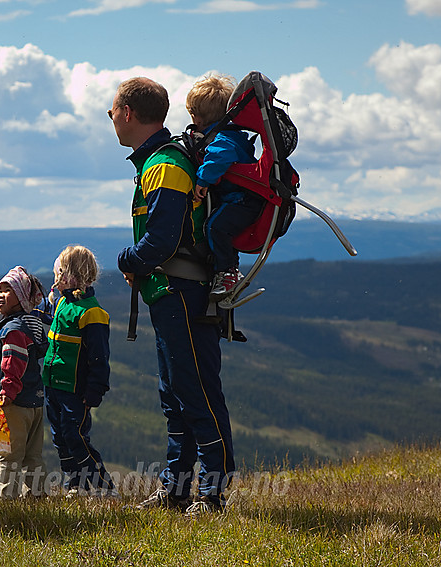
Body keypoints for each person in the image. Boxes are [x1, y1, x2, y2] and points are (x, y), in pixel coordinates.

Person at [112, 77, 235, 516]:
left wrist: (128, 260)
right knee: (176, 394)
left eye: (113, 110)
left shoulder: (165, 164)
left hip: (182, 293)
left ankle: (212, 493)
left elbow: (161, 241)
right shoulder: (164, 161)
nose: (111, 117)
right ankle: (176, 489)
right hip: (174, 293)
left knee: (196, 392)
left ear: (128, 113)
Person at [42, 245, 115, 497]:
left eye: (59, 273)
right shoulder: (61, 303)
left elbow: (99, 357)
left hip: (75, 389)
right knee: (60, 437)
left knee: (76, 436)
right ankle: (76, 484)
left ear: (73, 277)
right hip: (53, 385)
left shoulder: (91, 312)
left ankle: (103, 487)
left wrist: (96, 389)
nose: (55, 279)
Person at [186, 74, 260, 300]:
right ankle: (224, 271)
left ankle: (228, 273)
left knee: (215, 227)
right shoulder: (233, 135)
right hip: (245, 201)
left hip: (242, 201)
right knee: (220, 228)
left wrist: (202, 179)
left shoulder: (221, 139)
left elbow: (220, 156)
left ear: (195, 116)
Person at [0, 266, 49, 499]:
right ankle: (35, 496)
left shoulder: (12, 330)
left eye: (8, 290)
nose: (1, 295)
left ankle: (5, 502)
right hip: (35, 402)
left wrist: (7, 391)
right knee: (33, 455)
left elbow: (13, 362)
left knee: (8, 455)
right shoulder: (31, 325)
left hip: (14, 404)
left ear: (21, 298)